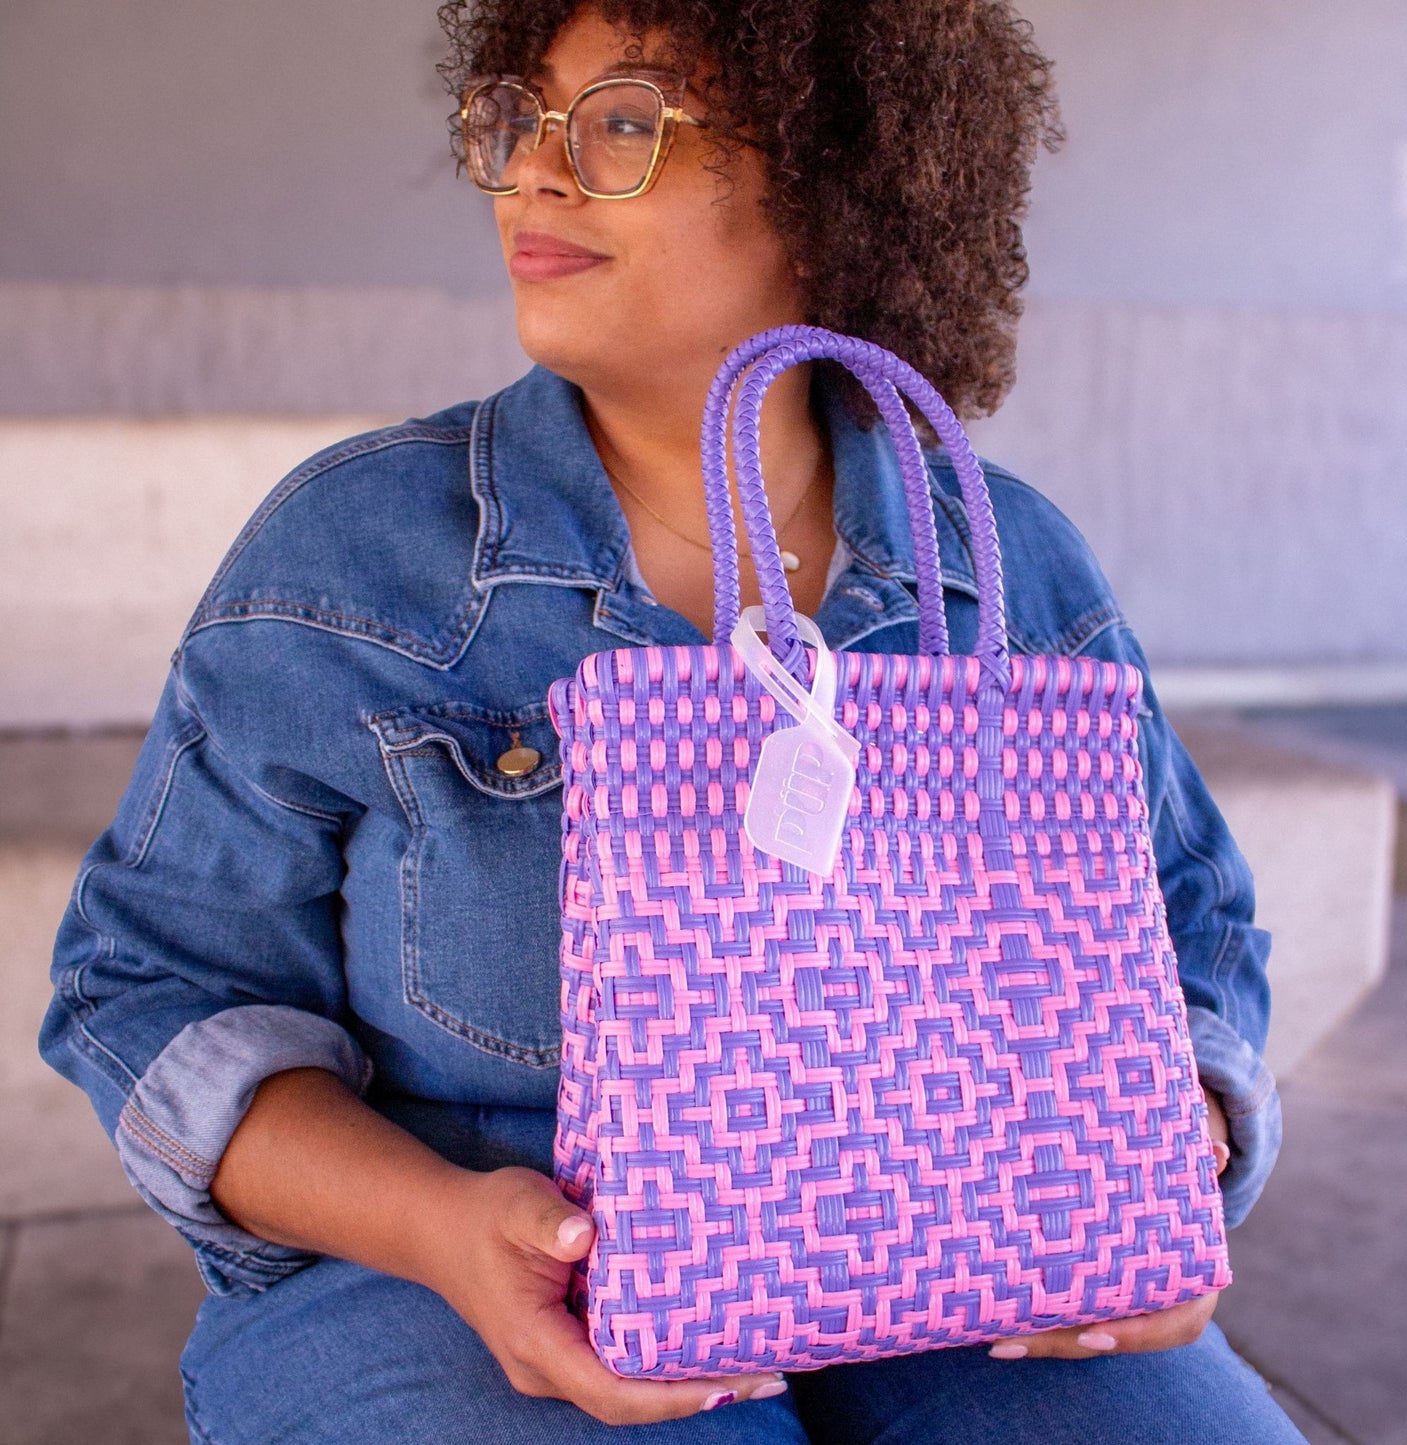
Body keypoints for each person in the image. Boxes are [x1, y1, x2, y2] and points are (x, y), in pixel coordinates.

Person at [41, 2, 1300, 1440]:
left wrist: (1160, 1148)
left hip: (975, 1253)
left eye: (625, 125)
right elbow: (154, 989)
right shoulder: (356, 553)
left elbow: (1187, 918)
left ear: (842, 181)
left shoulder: (1004, 562)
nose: (534, 173)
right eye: (521, 119)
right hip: (447, 1261)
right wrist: (446, 1228)